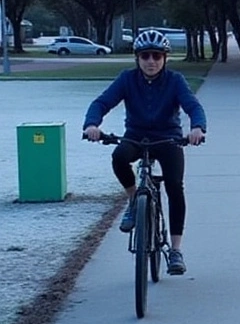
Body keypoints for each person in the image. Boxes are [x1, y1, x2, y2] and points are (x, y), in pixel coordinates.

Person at [83, 29, 207, 275]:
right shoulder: (127, 79)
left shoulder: (175, 80)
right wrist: (92, 125)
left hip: (168, 139)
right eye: (145, 56)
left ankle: (175, 250)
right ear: (137, 58)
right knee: (118, 157)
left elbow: (193, 106)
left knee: (174, 186)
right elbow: (102, 102)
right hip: (136, 137)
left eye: (157, 56)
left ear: (165, 58)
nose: (151, 61)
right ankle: (133, 200)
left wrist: (197, 128)